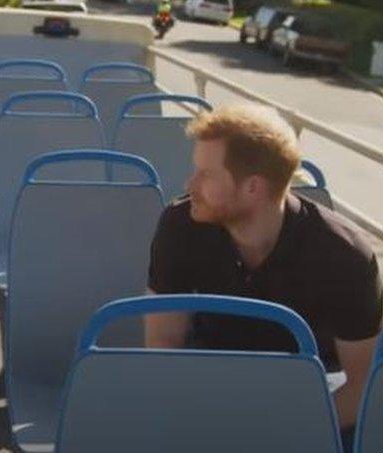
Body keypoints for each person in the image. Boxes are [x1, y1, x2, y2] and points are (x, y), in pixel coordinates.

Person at [145, 104, 381, 448]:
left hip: (311, 389)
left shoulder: (344, 253)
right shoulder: (180, 225)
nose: (189, 184)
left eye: (206, 174)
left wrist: (281, 432)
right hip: (208, 379)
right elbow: (163, 342)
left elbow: (364, 385)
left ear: (253, 188)